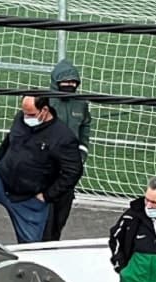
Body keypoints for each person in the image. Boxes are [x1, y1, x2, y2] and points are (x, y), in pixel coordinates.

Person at [0, 96, 83, 243]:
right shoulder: (21, 118)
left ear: (44, 110)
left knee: (30, 247)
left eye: (31, 114)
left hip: (28, 197)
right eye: (24, 112)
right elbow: (7, 143)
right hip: (1, 178)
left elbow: (73, 171)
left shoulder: (63, 137)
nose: (25, 117)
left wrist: (47, 195)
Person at [42, 59, 92, 242]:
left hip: (69, 168)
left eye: (73, 82)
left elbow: (85, 127)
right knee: (46, 212)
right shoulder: (45, 100)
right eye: (66, 82)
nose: (70, 85)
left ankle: (54, 241)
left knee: (62, 212)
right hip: (47, 168)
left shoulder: (81, 103)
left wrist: (82, 153)